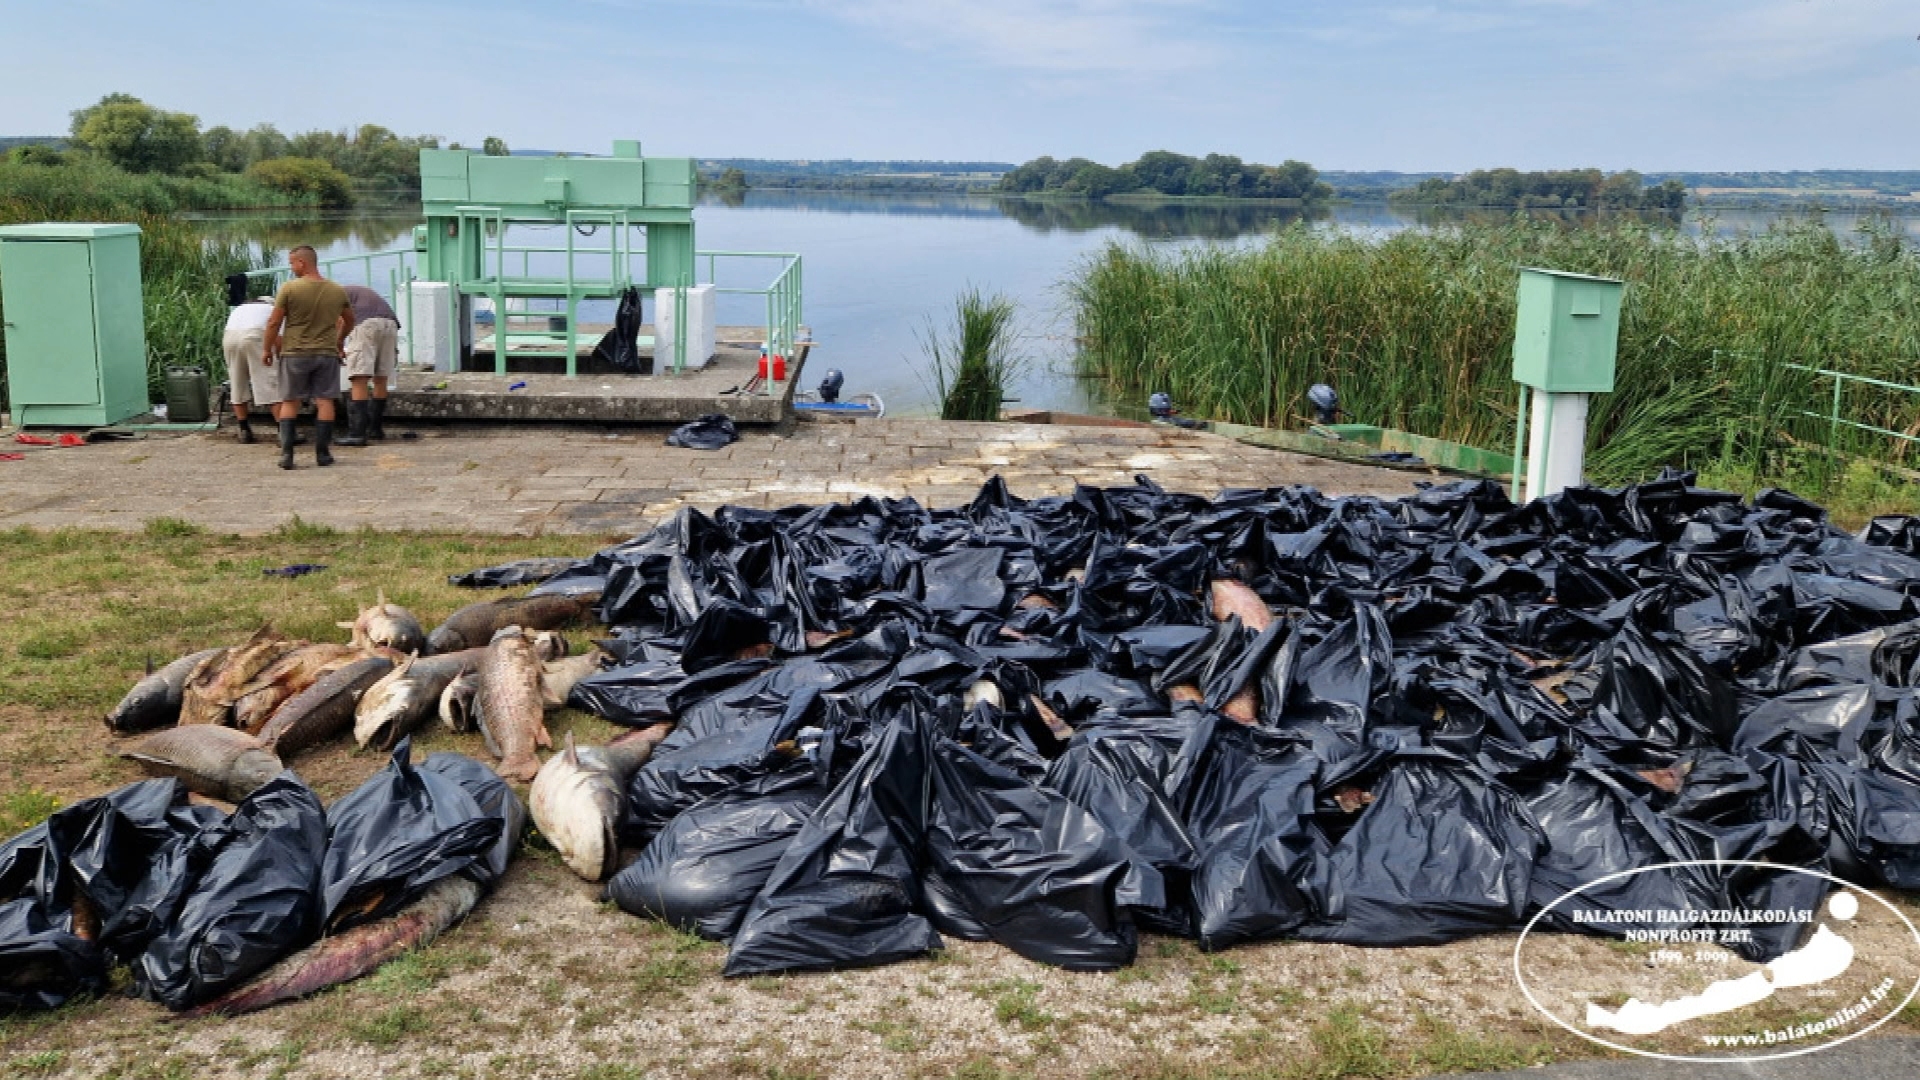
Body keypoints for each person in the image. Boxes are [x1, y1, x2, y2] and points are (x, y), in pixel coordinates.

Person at [261, 246, 353, 469]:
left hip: (295, 354)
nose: (292, 268)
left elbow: (274, 322)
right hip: (326, 354)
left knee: (290, 401)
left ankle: (287, 455)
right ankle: (322, 454)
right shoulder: (337, 290)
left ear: (302, 262)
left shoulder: (289, 289)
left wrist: (267, 349)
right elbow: (350, 320)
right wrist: (339, 340)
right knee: (324, 400)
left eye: (292, 263)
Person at [336, 284, 400, 446]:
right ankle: (375, 429)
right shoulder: (353, 291)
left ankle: (357, 433)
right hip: (390, 324)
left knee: (359, 378)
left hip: (366, 324)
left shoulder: (332, 295)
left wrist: (338, 343)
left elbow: (340, 321)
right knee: (380, 378)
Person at [222, 291, 277, 443]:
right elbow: (277, 339)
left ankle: (244, 430)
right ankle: (284, 431)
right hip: (254, 335)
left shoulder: (239, 309)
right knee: (270, 382)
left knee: (237, 383)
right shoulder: (272, 309)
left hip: (229, 337)